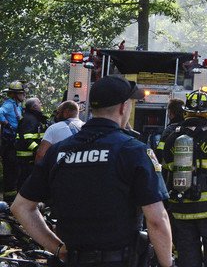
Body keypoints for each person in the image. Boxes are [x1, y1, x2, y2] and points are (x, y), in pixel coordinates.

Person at [12, 75, 174, 267]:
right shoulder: (133, 151)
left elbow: (20, 207)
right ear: (123, 107)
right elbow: (156, 220)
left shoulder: (59, 151)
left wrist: (57, 248)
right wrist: (167, 264)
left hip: (73, 261)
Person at [160, 91, 207, 267]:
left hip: (181, 207)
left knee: (186, 251)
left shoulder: (172, 137)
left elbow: (166, 167)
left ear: (186, 112)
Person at [0, 81, 25, 202]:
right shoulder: (9, 104)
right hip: (9, 144)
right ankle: (9, 200)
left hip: (15, 142)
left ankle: (13, 199)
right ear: (14, 95)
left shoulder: (17, 105)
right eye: (21, 93)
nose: (23, 95)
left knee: (15, 171)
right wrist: (6, 123)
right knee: (11, 171)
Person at [15, 97, 48, 189]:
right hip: (27, 158)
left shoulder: (34, 118)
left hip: (31, 157)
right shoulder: (29, 119)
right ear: (34, 107)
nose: (41, 105)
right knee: (25, 181)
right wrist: (38, 150)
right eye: (39, 103)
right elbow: (26, 139)